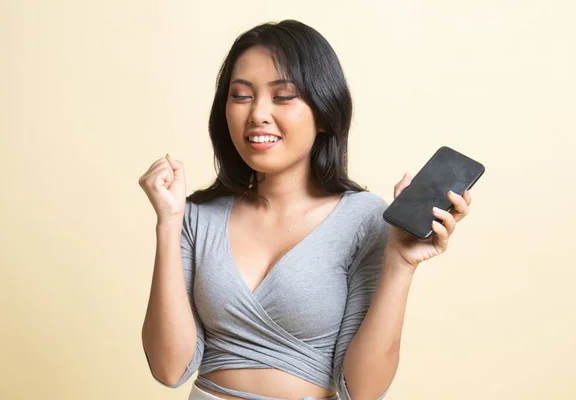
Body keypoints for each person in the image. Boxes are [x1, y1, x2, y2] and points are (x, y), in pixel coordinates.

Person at [138, 20, 472, 400]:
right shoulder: (197, 216)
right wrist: (168, 223)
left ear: (325, 114)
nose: (258, 114)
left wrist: (400, 261)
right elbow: (170, 369)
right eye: (241, 95)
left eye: (283, 96)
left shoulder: (363, 219)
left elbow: (362, 390)